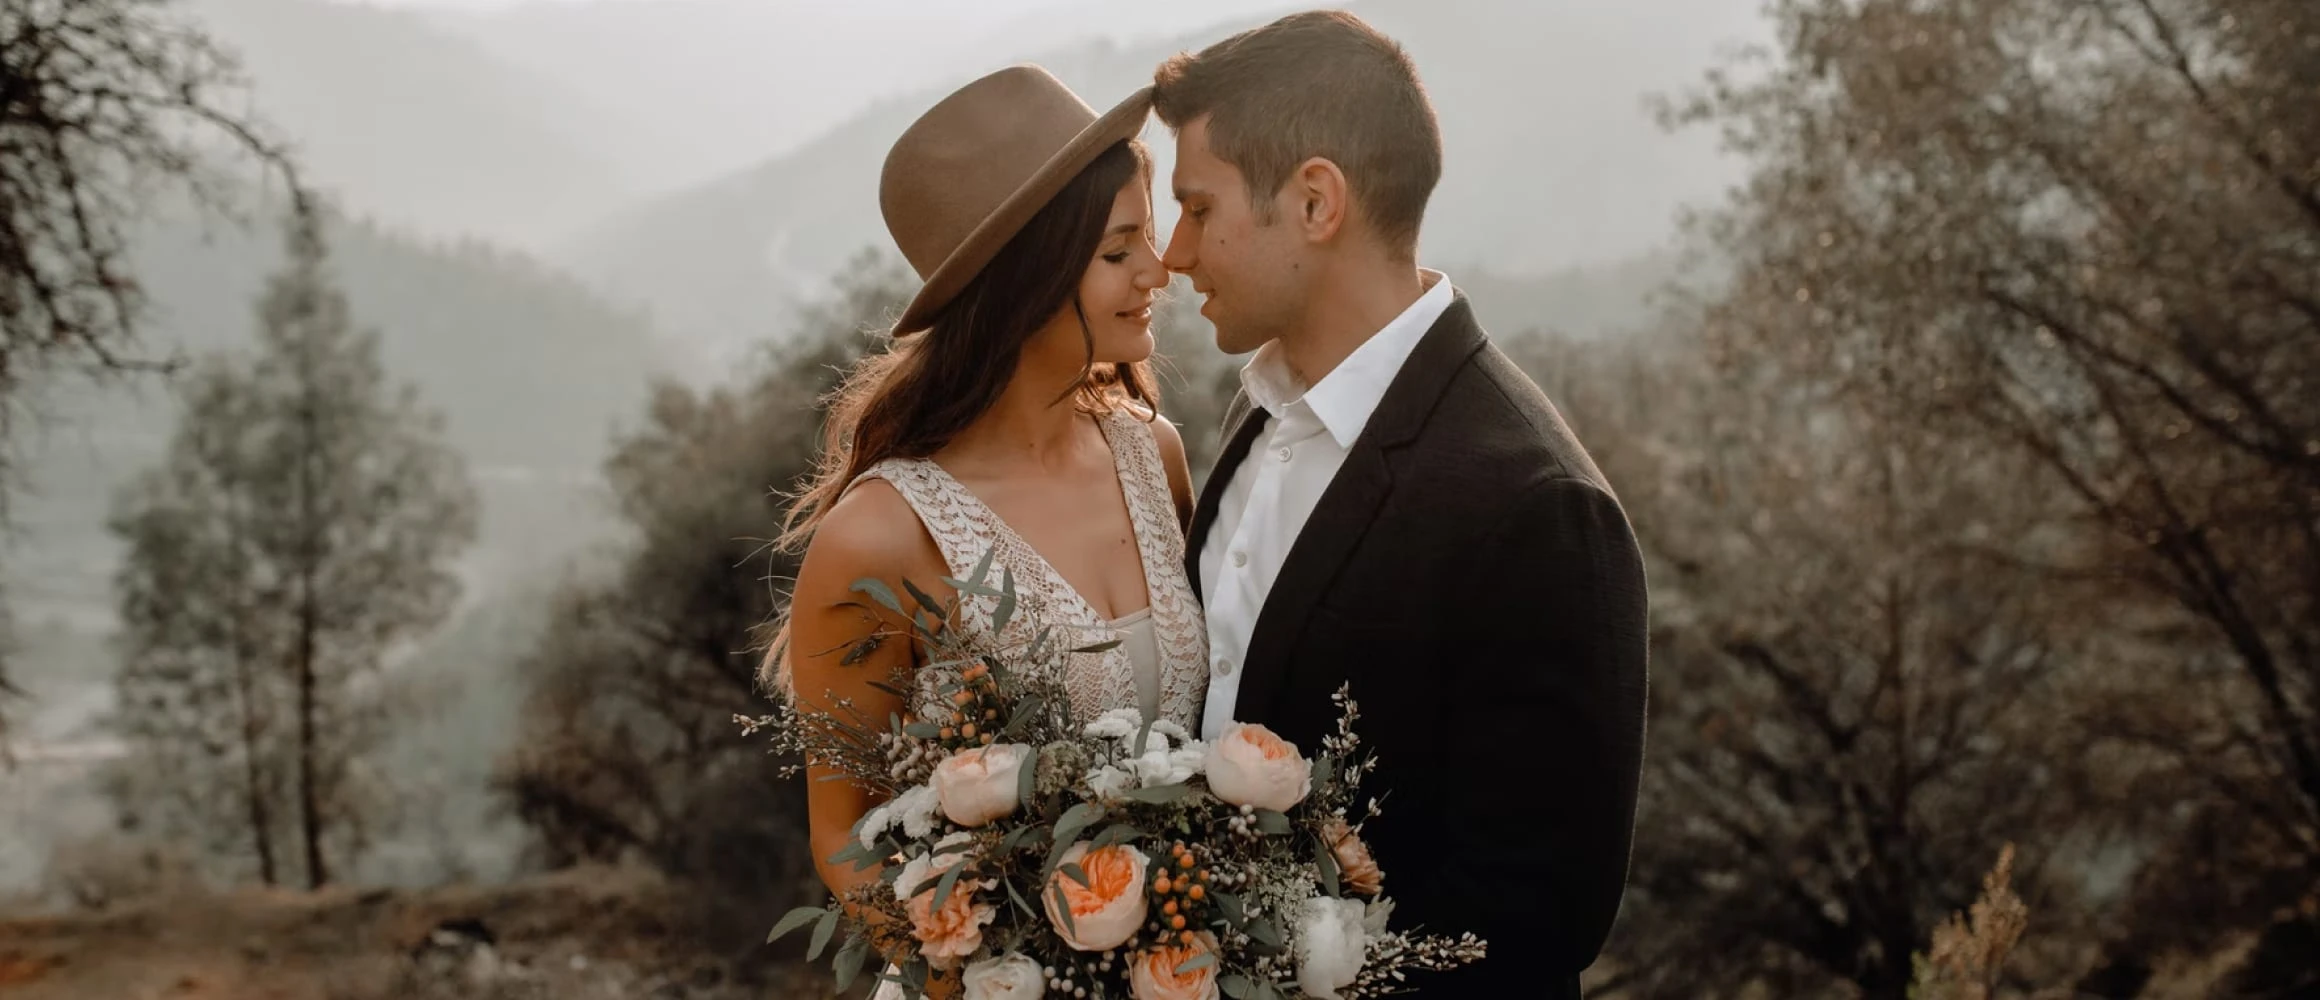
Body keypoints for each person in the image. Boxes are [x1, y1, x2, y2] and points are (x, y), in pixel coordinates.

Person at [1153, 11, 1652, 997]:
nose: (1173, 252)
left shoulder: (1538, 509)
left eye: (1198, 208)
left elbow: (1526, 927)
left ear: (1314, 202)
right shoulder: (1253, 417)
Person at [769, 65, 1211, 915]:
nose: (1158, 271)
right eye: (1119, 251)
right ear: (1025, 284)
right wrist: (977, 972)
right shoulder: (880, 539)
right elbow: (843, 840)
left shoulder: (1154, 456)